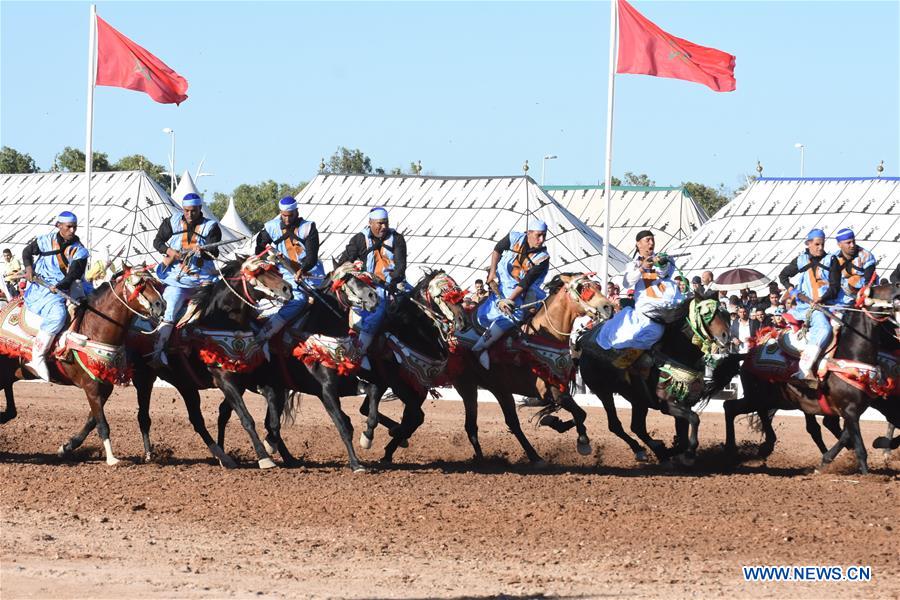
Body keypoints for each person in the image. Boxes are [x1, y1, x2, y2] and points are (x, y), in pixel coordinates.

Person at [152, 193, 222, 366]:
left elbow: (215, 252)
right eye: (186, 210)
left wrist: (203, 250)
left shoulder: (211, 226)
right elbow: (158, 241)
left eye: (193, 211)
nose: (189, 214)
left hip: (203, 280)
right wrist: (170, 252)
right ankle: (158, 352)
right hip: (177, 281)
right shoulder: (172, 221)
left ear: (200, 209)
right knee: (170, 311)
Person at [472, 219, 550, 368]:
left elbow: (525, 283)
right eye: (538, 235)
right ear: (528, 233)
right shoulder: (514, 237)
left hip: (522, 286)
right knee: (516, 315)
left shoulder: (543, 258)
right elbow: (497, 249)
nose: (542, 240)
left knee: (522, 311)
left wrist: (508, 300)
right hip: (503, 276)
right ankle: (480, 347)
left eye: (544, 236)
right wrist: (492, 272)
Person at [21, 212, 89, 380]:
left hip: (64, 287)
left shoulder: (80, 251)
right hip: (42, 290)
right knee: (58, 315)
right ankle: (38, 357)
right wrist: (29, 268)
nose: (72, 230)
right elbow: (27, 252)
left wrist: (60, 286)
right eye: (68, 227)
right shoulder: (44, 240)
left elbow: (73, 275)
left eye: (74, 227)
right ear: (59, 226)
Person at [335, 207, 408, 363]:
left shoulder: (397, 238)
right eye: (379, 224)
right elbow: (343, 261)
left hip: (395, 284)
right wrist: (355, 270)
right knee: (378, 311)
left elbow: (401, 266)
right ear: (370, 223)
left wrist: (393, 281)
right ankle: (358, 352)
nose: (383, 227)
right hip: (370, 287)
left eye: (386, 223)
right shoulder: (359, 239)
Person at [597, 229, 685, 353]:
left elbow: (664, 274)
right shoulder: (633, 264)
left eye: (652, 240)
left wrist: (660, 263)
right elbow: (627, 283)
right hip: (649, 313)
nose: (651, 243)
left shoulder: (662, 258)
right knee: (652, 333)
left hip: (670, 307)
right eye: (647, 240)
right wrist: (642, 268)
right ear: (639, 244)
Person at [254, 196, 322, 342]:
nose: (287, 219)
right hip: (286, 276)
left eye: (290, 216)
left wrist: (301, 270)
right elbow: (258, 250)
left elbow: (312, 257)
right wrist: (270, 255)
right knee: (298, 300)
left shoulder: (308, 227)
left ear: (296, 212)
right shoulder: (270, 227)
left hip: (312, 274)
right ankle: (265, 334)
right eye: (284, 215)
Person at [778, 228, 833, 381]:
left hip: (829, 304)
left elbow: (835, 286)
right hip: (809, 308)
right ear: (808, 244)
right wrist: (793, 292)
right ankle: (804, 368)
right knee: (824, 328)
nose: (820, 248)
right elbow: (783, 276)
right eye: (817, 244)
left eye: (822, 244)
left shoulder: (831, 260)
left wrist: (823, 299)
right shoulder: (801, 260)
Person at [819, 228, 877, 308]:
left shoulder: (866, 256)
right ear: (839, 245)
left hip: (863, 296)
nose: (852, 245)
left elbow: (869, 282)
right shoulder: (833, 259)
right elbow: (823, 278)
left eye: (853, 241)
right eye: (848, 243)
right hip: (840, 298)